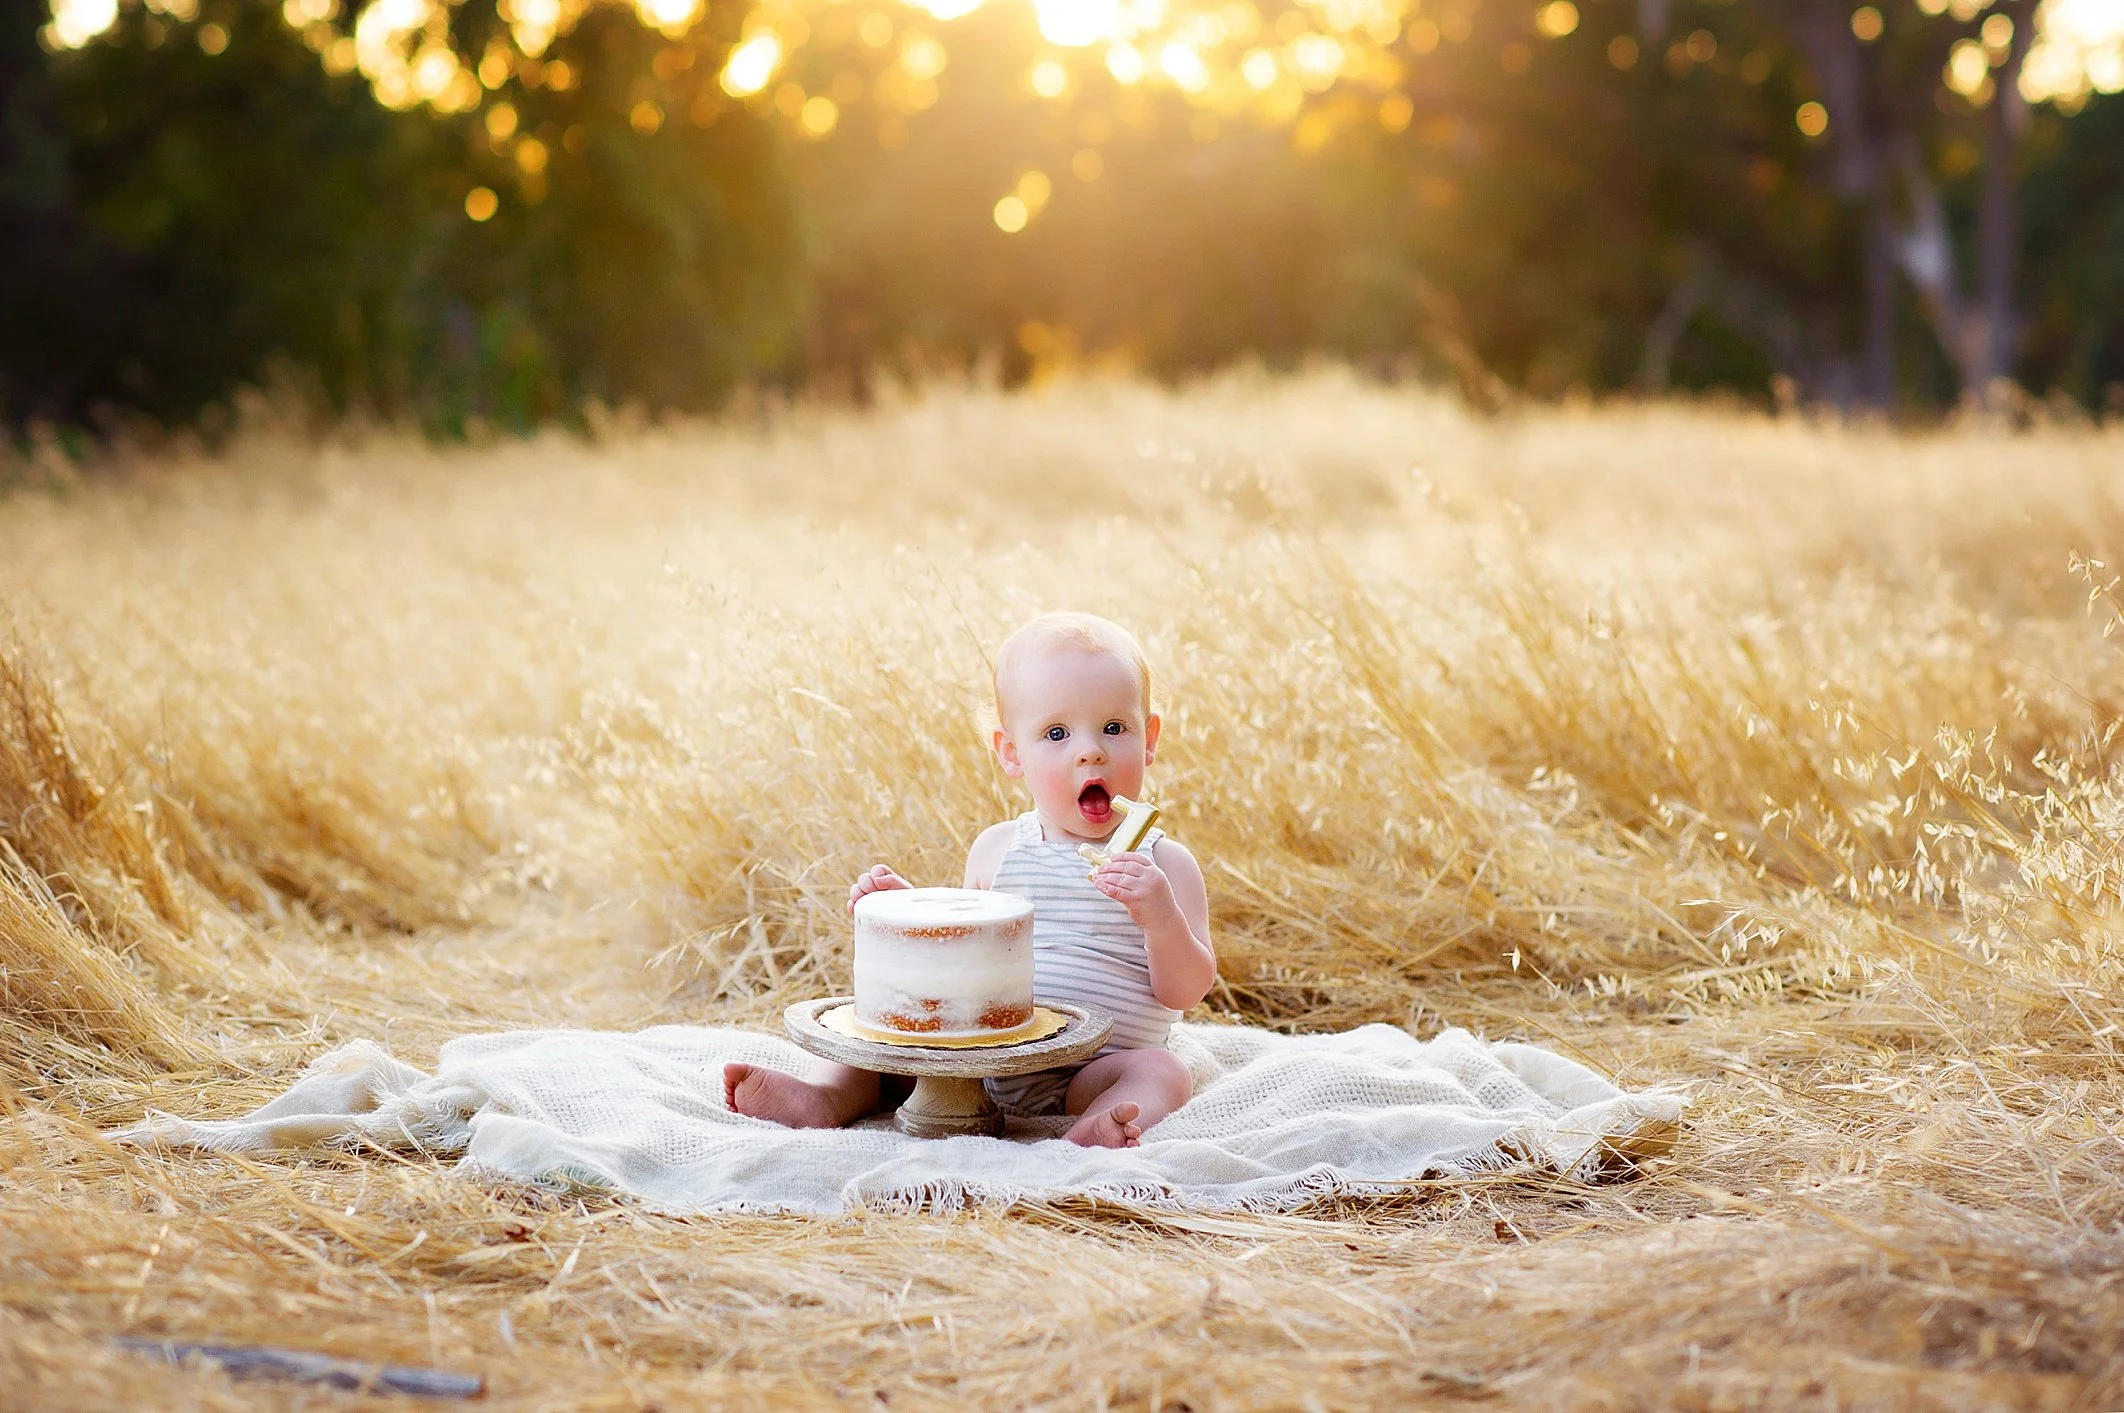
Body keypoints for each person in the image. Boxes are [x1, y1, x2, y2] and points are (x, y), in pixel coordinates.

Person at [723, 612, 1216, 1148]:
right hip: (982, 1052)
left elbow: (1184, 991)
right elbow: (962, 955)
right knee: (877, 1040)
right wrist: (911, 911)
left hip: (1093, 1067)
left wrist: (1161, 918)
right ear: (1011, 753)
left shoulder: (1164, 864)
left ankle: (1095, 1127)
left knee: (1164, 1072)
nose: (1089, 750)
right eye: (1056, 733)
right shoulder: (999, 850)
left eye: (1114, 728)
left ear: (1150, 739)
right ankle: (823, 1097)